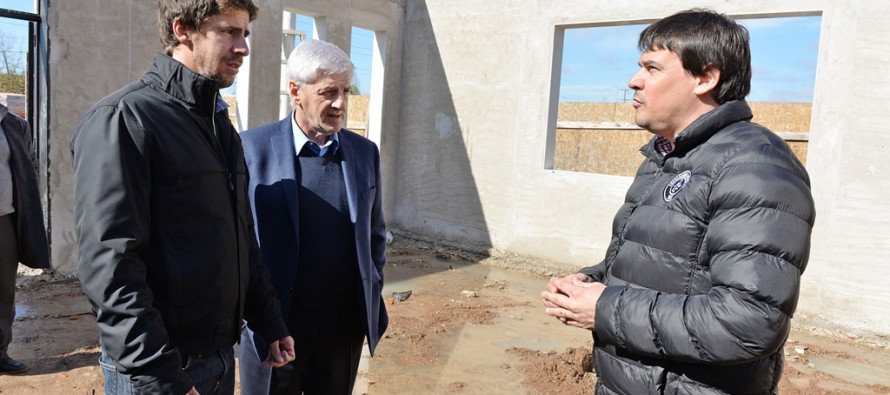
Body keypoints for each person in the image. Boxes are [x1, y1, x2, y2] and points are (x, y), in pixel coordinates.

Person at [541, 8, 815, 394]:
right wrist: (592, 282)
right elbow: (664, 263)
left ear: (706, 77)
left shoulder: (755, 167)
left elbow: (749, 322)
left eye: (651, 69)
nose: (634, 81)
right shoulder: (665, 158)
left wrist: (604, 308)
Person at [71, 1, 295, 393]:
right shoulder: (125, 119)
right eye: (228, 31)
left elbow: (241, 238)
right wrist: (161, 376)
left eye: (245, 33)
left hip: (221, 357)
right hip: (165, 368)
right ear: (182, 29)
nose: (242, 47)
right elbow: (111, 267)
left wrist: (268, 319)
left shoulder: (219, 127)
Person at [237, 39, 388, 395]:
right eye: (328, 92)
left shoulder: (365, 153)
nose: (341, 103)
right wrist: (258, 320)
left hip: (342, 332)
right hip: (274, 331)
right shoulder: (250, 149)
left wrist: (372, 286)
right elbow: (238, 244)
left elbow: (375, 235)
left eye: (346, 91)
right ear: (296, 91)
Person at [0, 102, 51, 374]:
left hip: (3, 220)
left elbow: (28, 167)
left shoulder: (14, 125)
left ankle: (0, 352)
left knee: (4, 290)